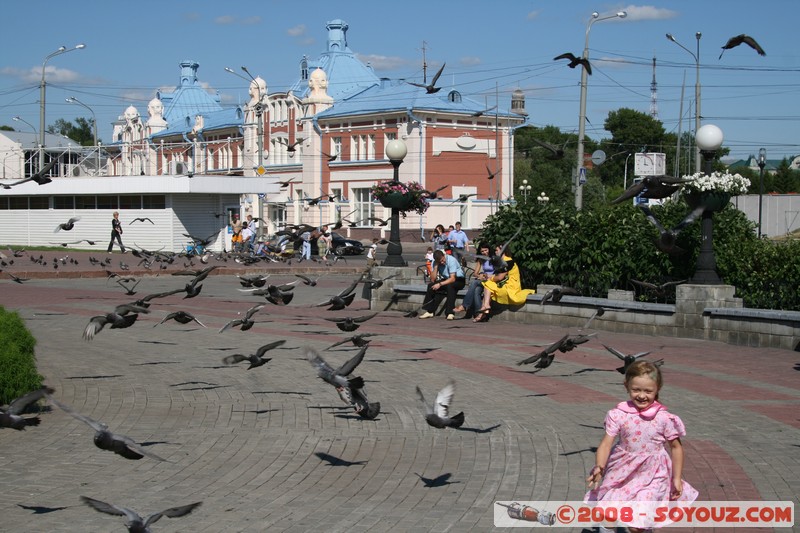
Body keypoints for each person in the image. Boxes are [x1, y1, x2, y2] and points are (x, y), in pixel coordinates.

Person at [585, 361, 698, 532]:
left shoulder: (664, 418)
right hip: (621, 472)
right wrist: (599, 466)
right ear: (626, 386)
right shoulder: (618, 414)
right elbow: (606, 444)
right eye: (636, 389)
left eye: (648, 391)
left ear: (657, 388)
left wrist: (676, 478)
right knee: (609, 515)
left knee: (637, 525)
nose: (642, 395)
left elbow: (676, 448)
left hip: (653, 474)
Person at [474, 246, 535, 323]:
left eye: (496, 250)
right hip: (504, 283)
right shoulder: (501, 260)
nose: (495, 252)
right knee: (488, 286)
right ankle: (485, 308)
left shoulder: (507, 261)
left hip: (510, 286)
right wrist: (488, 276)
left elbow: (499, 277)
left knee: (488, 285)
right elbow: (498, 276)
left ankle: (483, 312)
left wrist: (490, 278)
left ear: (503, 251)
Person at [418, 249, 466, 321]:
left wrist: (440, 284)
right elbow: (433, 279)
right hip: (448, 279)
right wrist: (436, 267)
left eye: (443, 260)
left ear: (444, 256)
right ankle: (430, 311)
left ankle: (450, 312)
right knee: (431, 285)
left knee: (451, 286)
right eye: (440, 262)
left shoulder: (451, 260)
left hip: (458, 280)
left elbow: (453, 279)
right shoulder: (435, 262)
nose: (442, 262)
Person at [453, 242, 494, 318]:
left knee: (474, 282)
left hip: (493, 280)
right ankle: (479, 314)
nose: (484, 252)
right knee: (476, 290)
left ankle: (465, 306)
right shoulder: (481, 259)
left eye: (486, 250)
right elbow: (475, 273)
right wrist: (480, 275)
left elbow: (497, 272)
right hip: (484, 280)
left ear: (489, 249)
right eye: (482, 251)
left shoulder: (494, 258)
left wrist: (487, 276)